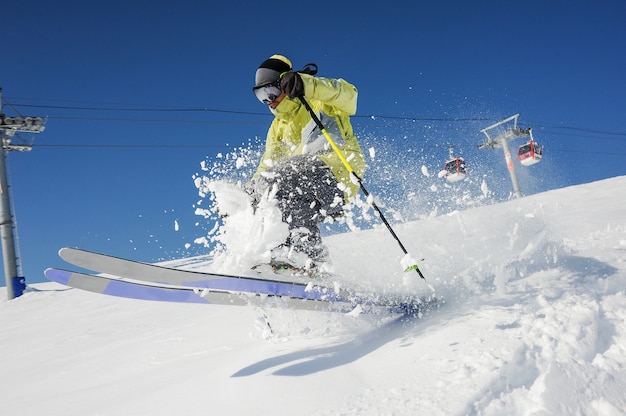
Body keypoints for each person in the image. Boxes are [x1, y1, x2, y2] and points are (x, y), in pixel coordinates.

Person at [249, 54, 366, 271]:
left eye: (271, 92)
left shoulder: (318, 99)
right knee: (264, 196)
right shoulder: (278, 126)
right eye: (260, 96)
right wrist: (248, 193)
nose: (268, 101)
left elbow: (350, 95)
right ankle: (304, 263)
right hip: (300, 184)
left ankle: (303, 253)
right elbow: (267, 165)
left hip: (339, 173)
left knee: (283, 176)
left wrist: (307, 85)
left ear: (285, 83)